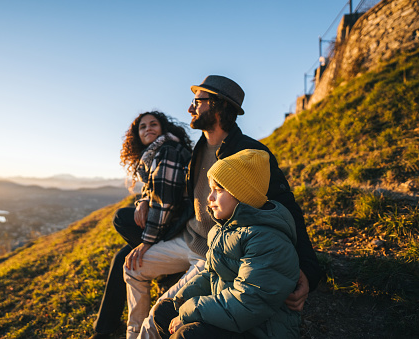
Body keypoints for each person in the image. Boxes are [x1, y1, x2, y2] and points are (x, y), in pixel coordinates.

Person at [123, 75, 321, 339]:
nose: (190, 108)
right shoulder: (198, 149)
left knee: (156, 320)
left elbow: (285, 209)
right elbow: (176, 195)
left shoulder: (249, 153)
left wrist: (308, 270)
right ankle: (130, 331)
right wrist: (147, 209)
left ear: (219, 106)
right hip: (187, 237)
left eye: (198, 101)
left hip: (213, 251)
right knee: (130, 266)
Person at [153, 149, 301, 338]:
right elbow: (211, 273)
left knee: (188, 334)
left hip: (260, 329)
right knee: (164, 311)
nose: (210, 197)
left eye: (219, 189)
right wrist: (181, 301)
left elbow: (248, 302)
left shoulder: (267, 239)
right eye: (210, 189)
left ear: (242, 194)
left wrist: (189, 312)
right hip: (229, 315)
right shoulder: (223, 229)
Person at [90, 111, 193, 339]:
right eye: (142, 127)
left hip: (178, 228)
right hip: (170, 224)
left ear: (164, 129)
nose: (148, 128)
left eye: (153, 124)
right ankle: (105, 328)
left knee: (121, 218)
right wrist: (143, 200)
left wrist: (147, 243)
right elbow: (154, 193)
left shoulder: (168, 151)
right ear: (137, 135)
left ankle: (165, 276)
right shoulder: (154, 155)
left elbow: (165, 202)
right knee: (123, 257)